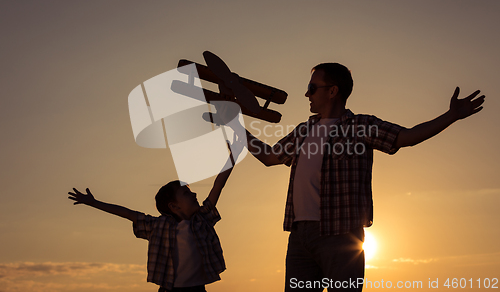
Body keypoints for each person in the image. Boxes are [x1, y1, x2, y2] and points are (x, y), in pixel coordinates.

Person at [245, 63, 485, 291]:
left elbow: (406, 137)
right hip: (299, 237)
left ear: (332, 91)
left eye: (311, 88)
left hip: (340, 237)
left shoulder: (360, 126)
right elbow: (269, 157)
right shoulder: (303, 130)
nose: (307, 94)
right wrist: (234, 127)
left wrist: (451, 115)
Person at [68, 138, 243, 292]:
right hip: (170, 290)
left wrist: (233, 156)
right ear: (173, 206)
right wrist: (93, 202)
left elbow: (218, 185)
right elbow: (127, 213)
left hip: (198, 290)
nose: (194, 195)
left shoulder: (202, 220)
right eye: (187, 193)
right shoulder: (158, 226)